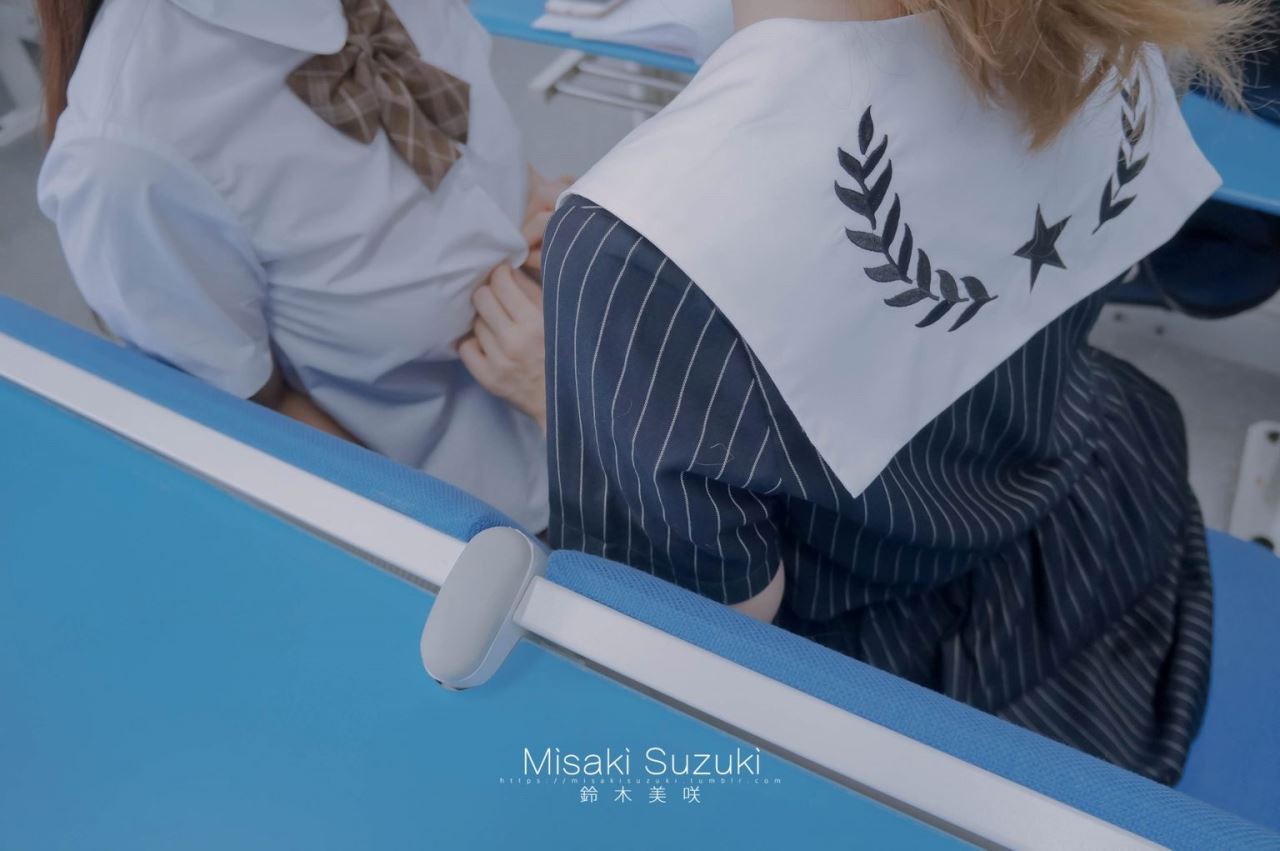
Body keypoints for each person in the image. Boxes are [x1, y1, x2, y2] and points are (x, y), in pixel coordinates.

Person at [534, 0, 1265, 784]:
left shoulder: (633, 251)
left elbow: (710, 630)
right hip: (1111, 511)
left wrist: (581, 399)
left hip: (909, 684)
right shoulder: (1113, 24)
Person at [35, 0, 558, 530]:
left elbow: (476, 149)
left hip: (577, 383)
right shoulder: (128, 159)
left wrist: (546, 208)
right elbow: (256, 430)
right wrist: (465, 536)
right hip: (476, 517)